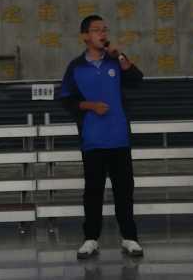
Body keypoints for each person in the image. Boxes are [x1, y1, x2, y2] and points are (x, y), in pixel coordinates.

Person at [60, 15, 144, 260]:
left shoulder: (116, 62)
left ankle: (129, 237)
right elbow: (66, 99)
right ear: (85, 36)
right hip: (92, 139)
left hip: (119, 137)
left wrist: (121, 57)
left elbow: (137, 81)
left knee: (124, 190)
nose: (102, 34)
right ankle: (91, 239)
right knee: (93, 191)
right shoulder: (76, 67)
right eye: (97, 30)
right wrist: (90, 106)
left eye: (105, 30)